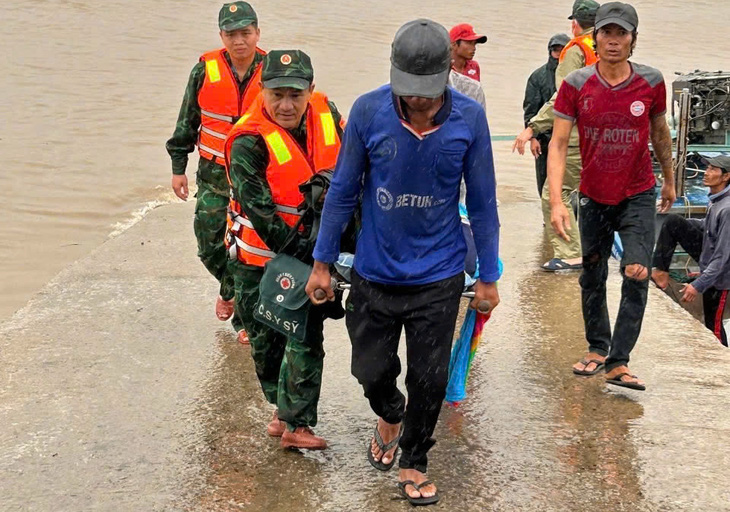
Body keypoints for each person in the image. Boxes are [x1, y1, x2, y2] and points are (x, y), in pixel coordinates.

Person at [305, 19, 500, 506]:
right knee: (369, 371)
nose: (418, 101)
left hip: (439, 272)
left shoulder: (469, 119)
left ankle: (414, 458)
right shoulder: (368, 111)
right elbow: (343, 192)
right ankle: (389, 413)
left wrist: (490, 276)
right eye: (409, 91)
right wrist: (322, 262)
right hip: (375, 271)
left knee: (429, 378)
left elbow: (483, 202)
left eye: (428, 93)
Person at [549, 2, 676, 390]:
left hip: (638, 193)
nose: (613, 40)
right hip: (592, 195)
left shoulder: (651, 81)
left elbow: (659, 134)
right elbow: (557, 143)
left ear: (633, 39)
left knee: (636, 272)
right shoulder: (575, 85)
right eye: (607, 32)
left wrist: (669, 181)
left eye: (622, 33)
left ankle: (619, 362)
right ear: (595, 37)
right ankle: (597, 348)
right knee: (592, 273)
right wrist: (556, 201)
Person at [224, 50, 344, 449]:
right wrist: (307, 256)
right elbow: (261, 213)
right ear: (263, 90)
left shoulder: (329, 113)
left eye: (295, 94)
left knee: (305, 337)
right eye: (277, 95)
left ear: (311, 89)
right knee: (265, 345)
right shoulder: (247, 140)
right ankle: (282, 410)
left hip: (310, 256)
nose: (286, 105)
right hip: (256, 261)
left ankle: (297, 425)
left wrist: (325, 257)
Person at [166, 2, 264, 341]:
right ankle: (229, 287)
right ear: (222, 36)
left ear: (257, 33)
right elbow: (186, 121)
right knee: (209, 245)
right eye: (231, 34)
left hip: (255, 177)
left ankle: (244, 321)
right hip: (213, 175)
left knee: (249, 250)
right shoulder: (204, 71)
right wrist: (178, 167)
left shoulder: (273, 72)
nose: (239, 41)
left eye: (245, 33)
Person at [513, 0, 600, 272]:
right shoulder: (604, 47)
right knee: (592, 193)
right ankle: (594, 246)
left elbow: (564, 97)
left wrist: (533, 127)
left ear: (575, 23)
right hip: (604, 134)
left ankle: (570, 253)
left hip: (578, 135)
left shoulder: (576, 50)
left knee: (555, 193)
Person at [652, 156, 730, 346]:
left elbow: (722, 258)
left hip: (722, 276)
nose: (706, 173)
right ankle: (660, 273)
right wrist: (687, 224)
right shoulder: (716, 200)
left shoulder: (727, 209)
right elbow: (708, 226)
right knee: (673, 222)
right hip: (710, 260)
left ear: (726, 176)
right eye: (708, 168)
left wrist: (698, 285)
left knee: (715, 328)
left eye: (713, 169)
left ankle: (722, 367)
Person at [522, 33, 570, 196]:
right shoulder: (538, 77)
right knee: (544, 184)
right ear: (550, 52)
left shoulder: (576, 75)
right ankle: (547, 217)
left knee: (569, 184)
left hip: (570, 138)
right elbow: (530, 109)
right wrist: (532, 138)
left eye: (563, 50)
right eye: (556, 50)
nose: (558, 54)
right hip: (544, 139)